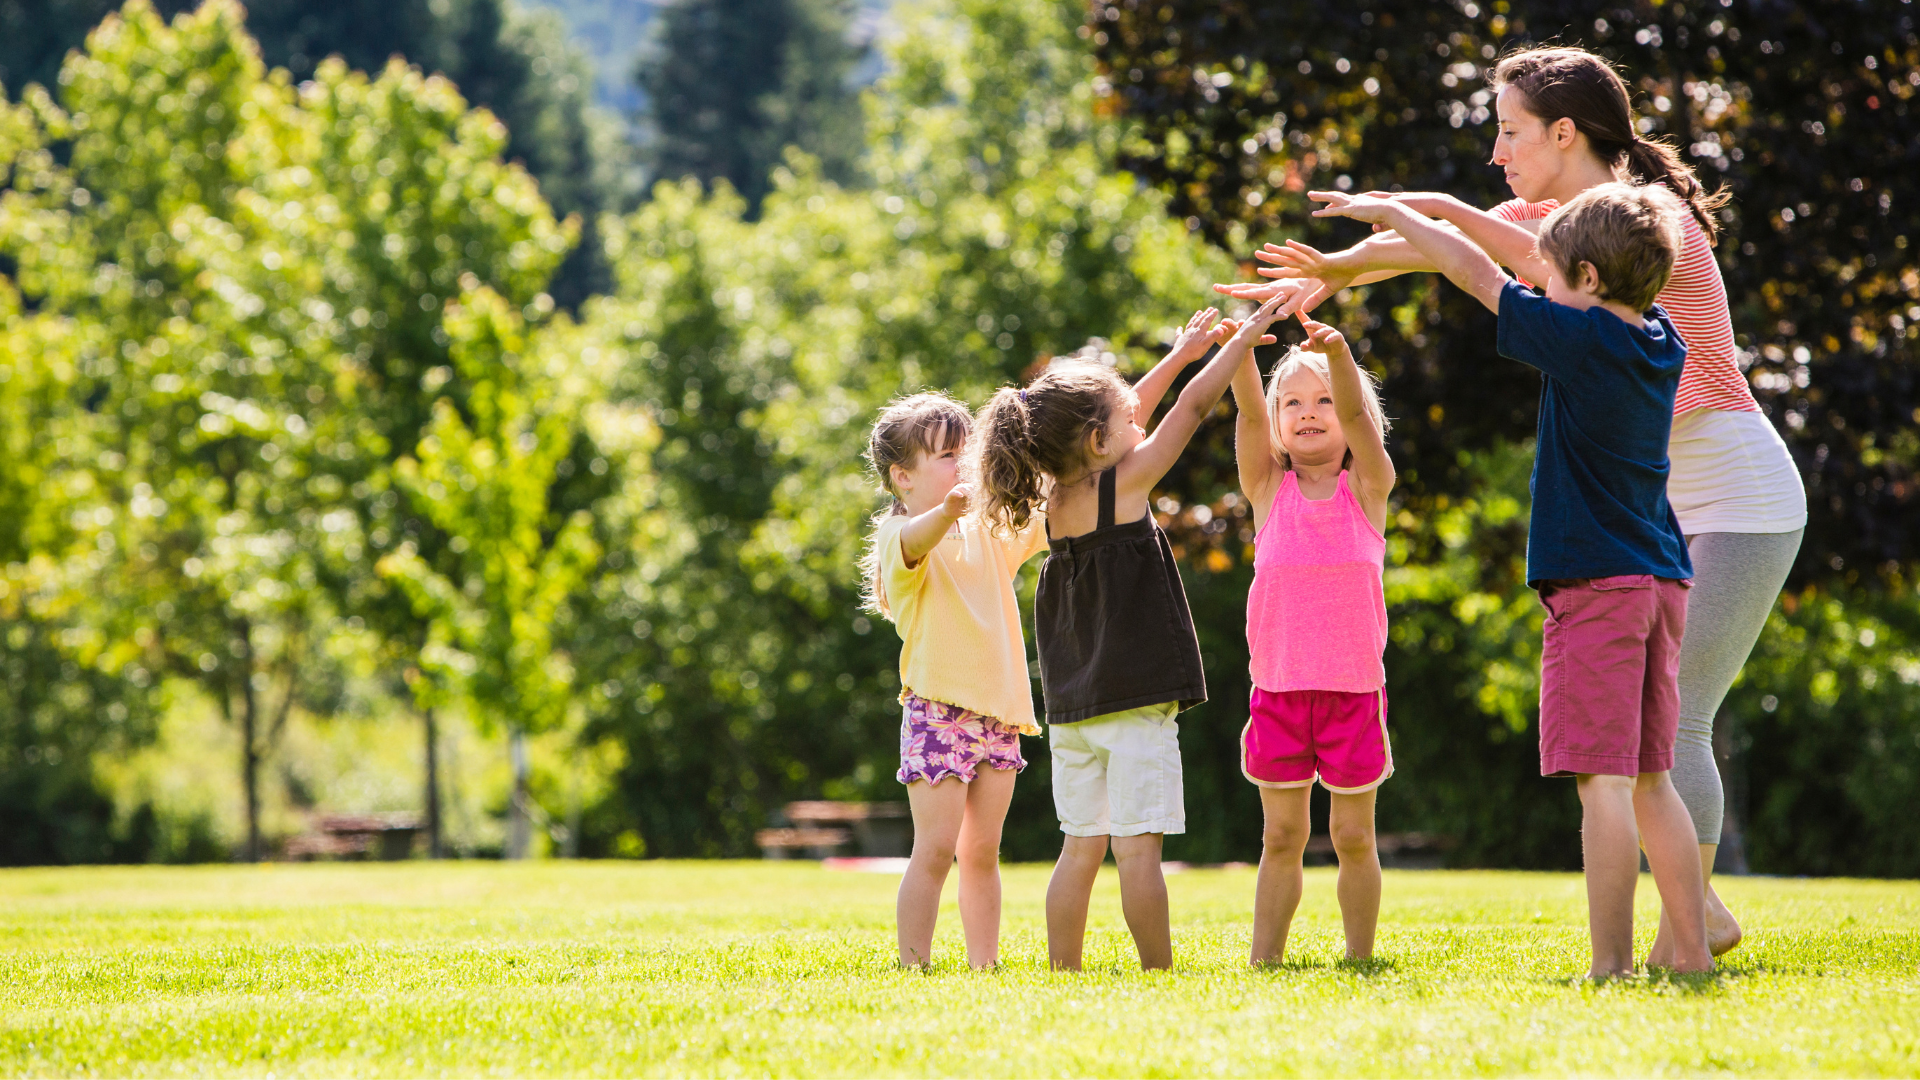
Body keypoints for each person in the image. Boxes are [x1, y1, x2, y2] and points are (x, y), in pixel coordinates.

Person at [1221, 45, 1804, 963]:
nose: (1497, 152)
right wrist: (1334, 268)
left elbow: (1474, 256)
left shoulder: (1642, 225)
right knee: (1653, 744)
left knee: (1673, 724)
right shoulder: (1577, 233)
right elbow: (1439, 247)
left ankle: (1683, 933)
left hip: (1736, 496)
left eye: (1509, 130)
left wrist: (1394, 230)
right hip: (1653, 518)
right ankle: (1697, 925)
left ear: (1564, 133)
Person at [1307, 180, 1713, 976]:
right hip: (1662, 579)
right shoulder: (1660, 336)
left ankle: (1611, 965)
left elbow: (1477, 274)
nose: (1541, 283)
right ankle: (1691, 953)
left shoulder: (1581, 340)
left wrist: (1401, 216)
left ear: (1588, 279)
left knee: (1602, 783)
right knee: (1652, 779)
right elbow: (1534, 262)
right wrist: (1441, 212)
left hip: (1597, 583)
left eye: (1555, 275)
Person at [972, 298, 1288, 970]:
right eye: (1126, 422)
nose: (1138, 423)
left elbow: (1122, 414)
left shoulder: (1055, 497)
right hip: (1135, 699)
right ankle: (1157, 972)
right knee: (1139, 850)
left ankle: (1064, 969)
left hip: (1074, 709)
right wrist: (1237, 346)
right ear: (1097, 441)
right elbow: (1191, 409)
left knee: (1080, 846)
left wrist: (1180, 353)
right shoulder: (1125, 485)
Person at [1229, 313, 1396, 966]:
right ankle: (1264, 958)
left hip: (1353, 694)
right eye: (1292, 403)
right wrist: (1242, 352)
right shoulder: (1267, 489)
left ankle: (1359, 957)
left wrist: (1339, 356)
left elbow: (1357, 415)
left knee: (1353, 836)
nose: (1308, 413)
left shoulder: (1369, 489)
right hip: (1279, 693)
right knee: (1281, 836)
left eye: (1323, 400)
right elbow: (1248, 412)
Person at [860, 392, 1047, 969]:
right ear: (903, 476)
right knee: (937, 849)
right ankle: (913, 964)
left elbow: (1050, 506)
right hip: (938, 711)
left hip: (1000, 712)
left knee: (982, 851)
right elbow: (916, 542)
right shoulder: (899, 534)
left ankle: (983, 965)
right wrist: (948, 511)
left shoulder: (985, 531)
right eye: (947, 456)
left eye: (967, 454)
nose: (963, 465)